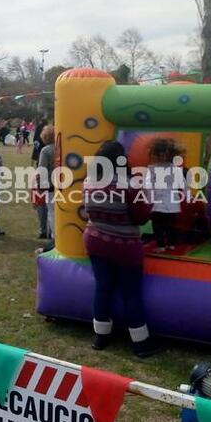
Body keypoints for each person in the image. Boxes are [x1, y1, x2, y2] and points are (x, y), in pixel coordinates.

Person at [83, 140, 159, 358]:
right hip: (124, 246)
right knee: (131, 292)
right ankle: (140, 341)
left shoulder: (89, 181)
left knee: (102, 286)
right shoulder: (129, 185)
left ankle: (100, 335)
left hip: (95, 240)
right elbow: (142, 216)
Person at [145, 138, 184, 252]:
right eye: (161, 154)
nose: (162, 157)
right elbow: (183, 184)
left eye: (164, 154)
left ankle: (162, 245)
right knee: (169, 225)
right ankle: (170, 244)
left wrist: (149, 201)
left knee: (159, 225)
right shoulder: (175, 169)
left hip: (159, 203)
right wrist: (188, 195)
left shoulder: (152, 168)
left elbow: (148, 186)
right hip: (170, 203)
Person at [35, 125, 56, 240]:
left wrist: (39, 186)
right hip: (63, 184)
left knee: (51, 212)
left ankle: (54, 237)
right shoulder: (63, 147)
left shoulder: (46, 150)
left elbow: (41, 169)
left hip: (50, 185)